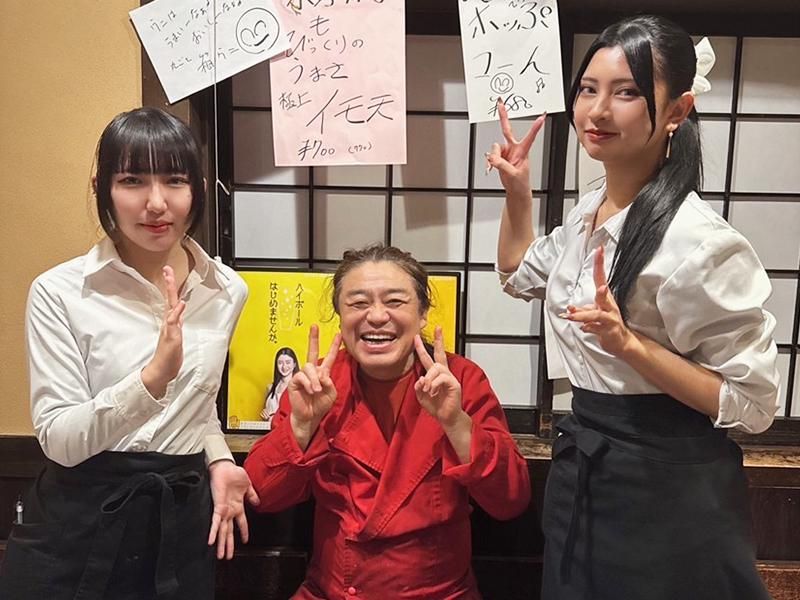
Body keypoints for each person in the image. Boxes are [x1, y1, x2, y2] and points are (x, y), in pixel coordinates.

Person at [487, 15, 779, 600]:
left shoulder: (701, 244)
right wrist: (518, 192)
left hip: (667, 486)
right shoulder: (590, 207)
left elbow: (752, 405)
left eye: (625, 92)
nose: (596, 111)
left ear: (677, 111)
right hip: (585, 466)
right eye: (588, 89)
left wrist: (629, 346)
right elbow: (519, 274)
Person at [0, 107, 259, 600]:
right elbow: (59, 440)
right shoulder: (60, 292)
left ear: (197, 188)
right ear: (102, 187)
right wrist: (149, 382)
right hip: (80, 518)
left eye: (175, 181)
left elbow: (199, 403)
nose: (156, 203)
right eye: (133, 180)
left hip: (180, 522)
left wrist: (220, 459)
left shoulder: (226, 290)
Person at [244, 243, 531, 599]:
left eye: (395, 301)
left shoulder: (460, 380)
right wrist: (303, 427)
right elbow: (262, 494)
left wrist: (456, 423)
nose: (377, 316)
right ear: (339, 315)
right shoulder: (319, 385)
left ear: (423, 313)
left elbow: (510, 499)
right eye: (358, 303)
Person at [261, 347, 300, 427]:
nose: (284, 367)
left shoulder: (300, 388)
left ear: (294, 364)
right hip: (270, 431)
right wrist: (265, 415)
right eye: (280, 363)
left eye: (288, 362)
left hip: (288, 431)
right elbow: (267, 413)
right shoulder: (270, 388)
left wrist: (275, 419)